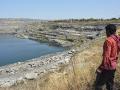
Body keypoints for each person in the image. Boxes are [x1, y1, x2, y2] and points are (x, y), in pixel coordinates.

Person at [95, 24, 120, 90]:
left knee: (98, 85)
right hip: (113, 66)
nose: (106, 33)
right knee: (110, 84)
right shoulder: (117, 39)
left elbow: (106, 56)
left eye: (106, 31)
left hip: (107, 67)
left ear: (108, 31)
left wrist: (100, 68)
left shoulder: (108, 41)